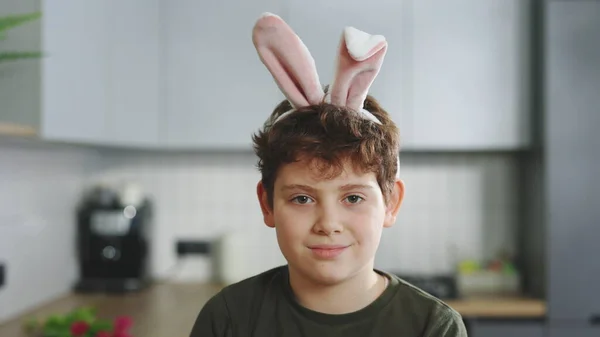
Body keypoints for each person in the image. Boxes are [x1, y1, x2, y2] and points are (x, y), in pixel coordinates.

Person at [189, 12, 468, 337]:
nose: (328, 224)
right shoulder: (228, 319)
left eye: (353, 197)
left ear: (390, 203)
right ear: (267, 205)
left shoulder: (433, 326)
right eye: (302, 198)